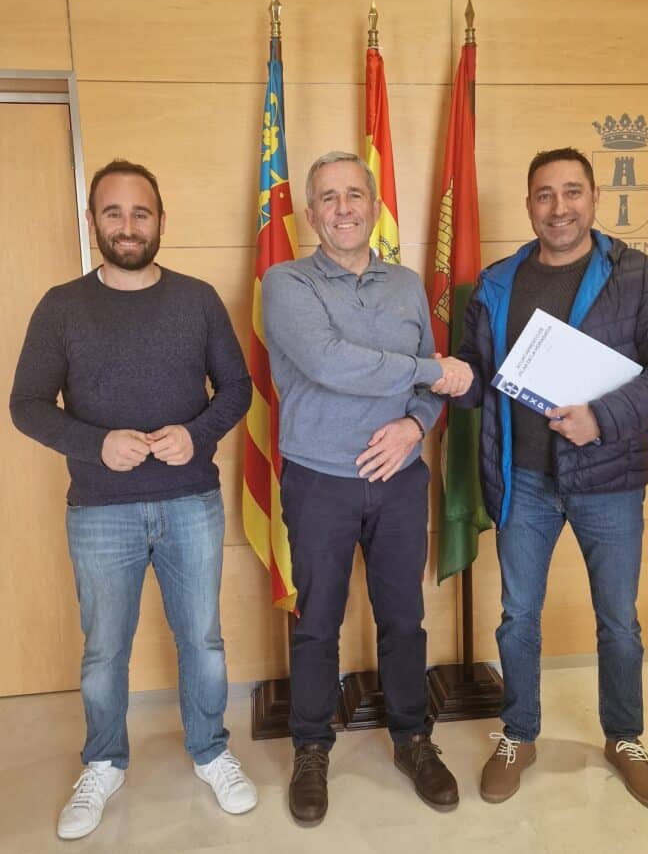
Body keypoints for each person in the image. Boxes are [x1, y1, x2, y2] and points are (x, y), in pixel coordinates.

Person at [10, 160, 256, 839]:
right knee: (104, 649)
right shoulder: (61, 306)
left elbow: (236, 388)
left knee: (201, 641)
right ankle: (103, 762)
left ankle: (210, 750)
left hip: (189, 502)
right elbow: (26, 406)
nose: (127, 225)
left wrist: (195, 434)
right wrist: (95, 445)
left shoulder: (199, 299)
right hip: (99, 510)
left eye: (140, 212)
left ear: (160, 221)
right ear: (93, 222)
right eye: (112, 213)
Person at [450, 147, 648, 811]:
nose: (559, 208)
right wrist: (454, 376)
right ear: (529, 204)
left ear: (593, 199)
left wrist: (604, 417)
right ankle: (519, 734)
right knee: (517, 618)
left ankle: (625, 737)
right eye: (544, 195)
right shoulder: (499, 281)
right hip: (522, 481)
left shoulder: (632, 274)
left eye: (571, 192)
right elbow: (479, 376)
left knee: (618, 621)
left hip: (609, 480)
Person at [262, 151, 471, 823]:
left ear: (374, 203)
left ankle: (413, 738)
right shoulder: (284, 281)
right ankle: (311, 748)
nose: (343, 207)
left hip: (400, 480)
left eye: (355, 193)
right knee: (317, 624)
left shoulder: (407, 284)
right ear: (310, 212)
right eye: (329, 197)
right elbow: (328, 363)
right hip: (320, 480)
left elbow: (426, 391)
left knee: (403, 619)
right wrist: (428, 370)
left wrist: (416, 423)